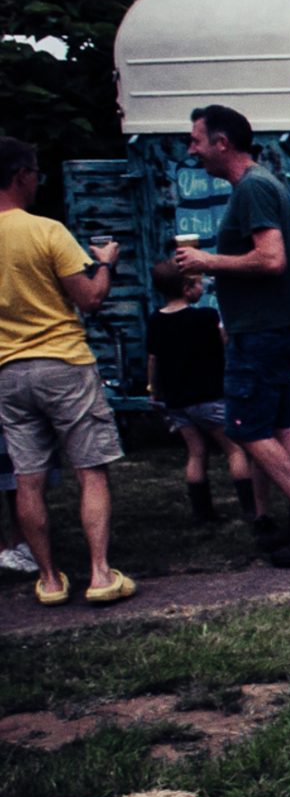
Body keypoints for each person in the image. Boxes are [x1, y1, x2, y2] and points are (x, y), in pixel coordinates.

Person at [172, 105, 290, 569]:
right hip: (271, 327)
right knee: (279, 426)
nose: (191, 149)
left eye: (196, 140)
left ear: (222, 142)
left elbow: (271, 260)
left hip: (264, 333)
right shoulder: (260, 185)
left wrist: (206, 262)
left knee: (244, 428)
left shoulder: (253, 187)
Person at [0, 137, 131, 605]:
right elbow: (91, 299)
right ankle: (99, 574)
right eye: (37, 172)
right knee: (90, 471)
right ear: (20, 175)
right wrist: (104, 264)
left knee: (27, 477)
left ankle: (50, 580)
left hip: (8, 371)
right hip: (63, 362)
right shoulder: (47, 231)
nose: (39, 181)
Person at [145, 262, 252, 524]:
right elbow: (226, 340)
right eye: (197, 284)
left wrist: (154, 391)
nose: (201, 288)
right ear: (186, 289)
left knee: (196, 452)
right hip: (210, 398)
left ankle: (202, 513)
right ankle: (252, 511)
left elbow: (153, 360)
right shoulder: (206, 317)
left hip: (178, 401)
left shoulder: (156, 320)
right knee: (235, 449)